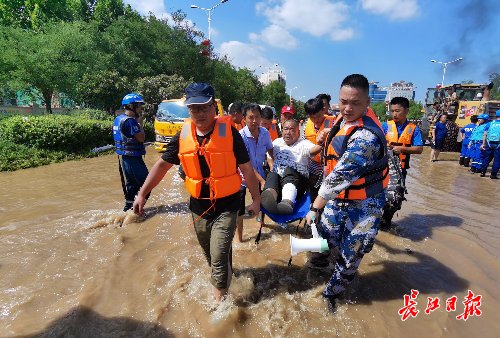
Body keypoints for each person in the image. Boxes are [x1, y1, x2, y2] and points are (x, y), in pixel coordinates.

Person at [133, 83, 261, 302]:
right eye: (194, 109)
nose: (199, 114)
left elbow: (247, 169)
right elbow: (162, 166)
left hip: (227, 205)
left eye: (204, 107)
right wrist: (143, 193)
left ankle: (219, 307)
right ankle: (225, 279)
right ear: (188, 109)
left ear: (213, 107)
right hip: (199, 207)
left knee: (218, 257)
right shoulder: (183, 135)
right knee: (212, 257)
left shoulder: (229, 133)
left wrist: (256, 200)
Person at [306, 74, 389, 312]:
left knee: (350, 255)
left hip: (365, 205)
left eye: (355, 103)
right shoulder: (342, 120)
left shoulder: (367, 137)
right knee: (324, 240)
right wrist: (324, 137)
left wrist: (315, 207)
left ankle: (331, 295)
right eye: (343, 102)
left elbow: (339, 177)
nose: (348, 108)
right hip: (338, 199)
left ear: (367, 103)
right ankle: (317, 272)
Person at [260, 119, 324, 214]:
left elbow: (313, 150)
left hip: (297, 184)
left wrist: (321, 143)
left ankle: (287, 202)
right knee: (272, 174)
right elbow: (269, 156)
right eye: (286, 129)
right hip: (279, 184)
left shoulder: (303, 143)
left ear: (298, 132)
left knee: (289, 170)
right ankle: (270, 198)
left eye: (292, 130)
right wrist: (272, 166)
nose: (288, 132)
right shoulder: (277, 142)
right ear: (282, 131)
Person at [381, 97, 423, 228]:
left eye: (397, 111)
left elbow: (419, 149)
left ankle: (386, 222)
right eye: (392, 111)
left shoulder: (413, 129)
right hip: (382, 169)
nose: (394, 114)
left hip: (400, 171)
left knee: (396, 199)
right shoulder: (385, 126)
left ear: (407, 111)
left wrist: (402, 149)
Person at [236, 104, 274, 242]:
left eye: (257, 117)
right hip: (242, 177)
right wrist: (262, 181)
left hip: (260, 174)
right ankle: (239, 238)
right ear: (244, 119)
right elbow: (247, 165)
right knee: (239, 209)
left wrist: (274, 167)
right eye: (250, 117)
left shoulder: (264, 132)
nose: (254, 121)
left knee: (262, 202)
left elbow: (270, 150)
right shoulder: (240, 136)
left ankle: (261, 224)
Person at [113, 93, 149, 212]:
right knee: (147, 185)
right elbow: (141, 138)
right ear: (131, 106)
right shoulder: (131, 122)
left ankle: (127, 208)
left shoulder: (118, 119)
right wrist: (140, 123)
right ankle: (136, 211)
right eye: (139, 106)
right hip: (133, 158)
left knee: (132, 184)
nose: (140, 108)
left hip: (125, 158)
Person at [304, 97, 335, 202]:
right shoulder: (306, 125)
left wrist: (331, 131)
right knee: (313, 194)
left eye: (318, 116)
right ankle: (314, 216)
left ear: (323, 110)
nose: (316, 120)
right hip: (313, 165)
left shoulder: (334, 122)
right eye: (312, 117)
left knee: (328, 195)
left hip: (330, 166)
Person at [479, 110, 500, 178]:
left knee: (486, 158)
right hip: (499, 145)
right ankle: (493, 175)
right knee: (497, 160)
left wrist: (483, 144)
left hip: (489, 143)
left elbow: (484, 134)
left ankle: (482, 172)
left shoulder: (490, 124)